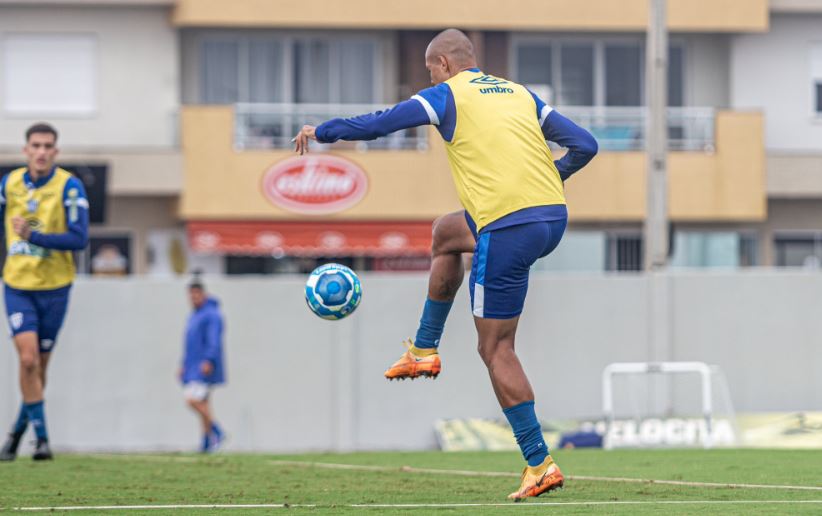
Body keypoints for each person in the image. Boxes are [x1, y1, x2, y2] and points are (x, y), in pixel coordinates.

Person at [293, 28, 597, 500]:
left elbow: (381, 123)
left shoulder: (448, 94)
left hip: (508, 227)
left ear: (443, 64)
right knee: (447, 233)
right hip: (550, 217)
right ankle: (423, 349)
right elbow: (585, 144)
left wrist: (323, 131)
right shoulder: (519, 94)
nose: (429, 76)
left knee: (495, 350)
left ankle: (539, 463)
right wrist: (550, 178)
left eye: (429, 69)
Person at [0, 123, 90, 461]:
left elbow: (79, 239)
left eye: (48, 146)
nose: (41, 151)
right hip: (18, 286)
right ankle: (43, 440)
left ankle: (14, 435)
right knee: (27, 360)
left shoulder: (69, 185)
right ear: (25, 150)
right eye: (35, 145)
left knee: (39, 369)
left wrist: (34, 237)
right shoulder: (8, 184)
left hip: (55, 288)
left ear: (56, 151)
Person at [180, 275, 226, 453]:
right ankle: (207, 442)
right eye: (190, 295)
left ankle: (216, 430)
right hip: (193, 365)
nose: (193, 298)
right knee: (204, 404)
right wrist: (183, 363)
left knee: (192, 400)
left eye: (196, 295)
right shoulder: (194, 315)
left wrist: (208, 360)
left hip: (203, 366)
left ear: (203, 294)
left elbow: (214, 341)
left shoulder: (212, 315)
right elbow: (189, 343)